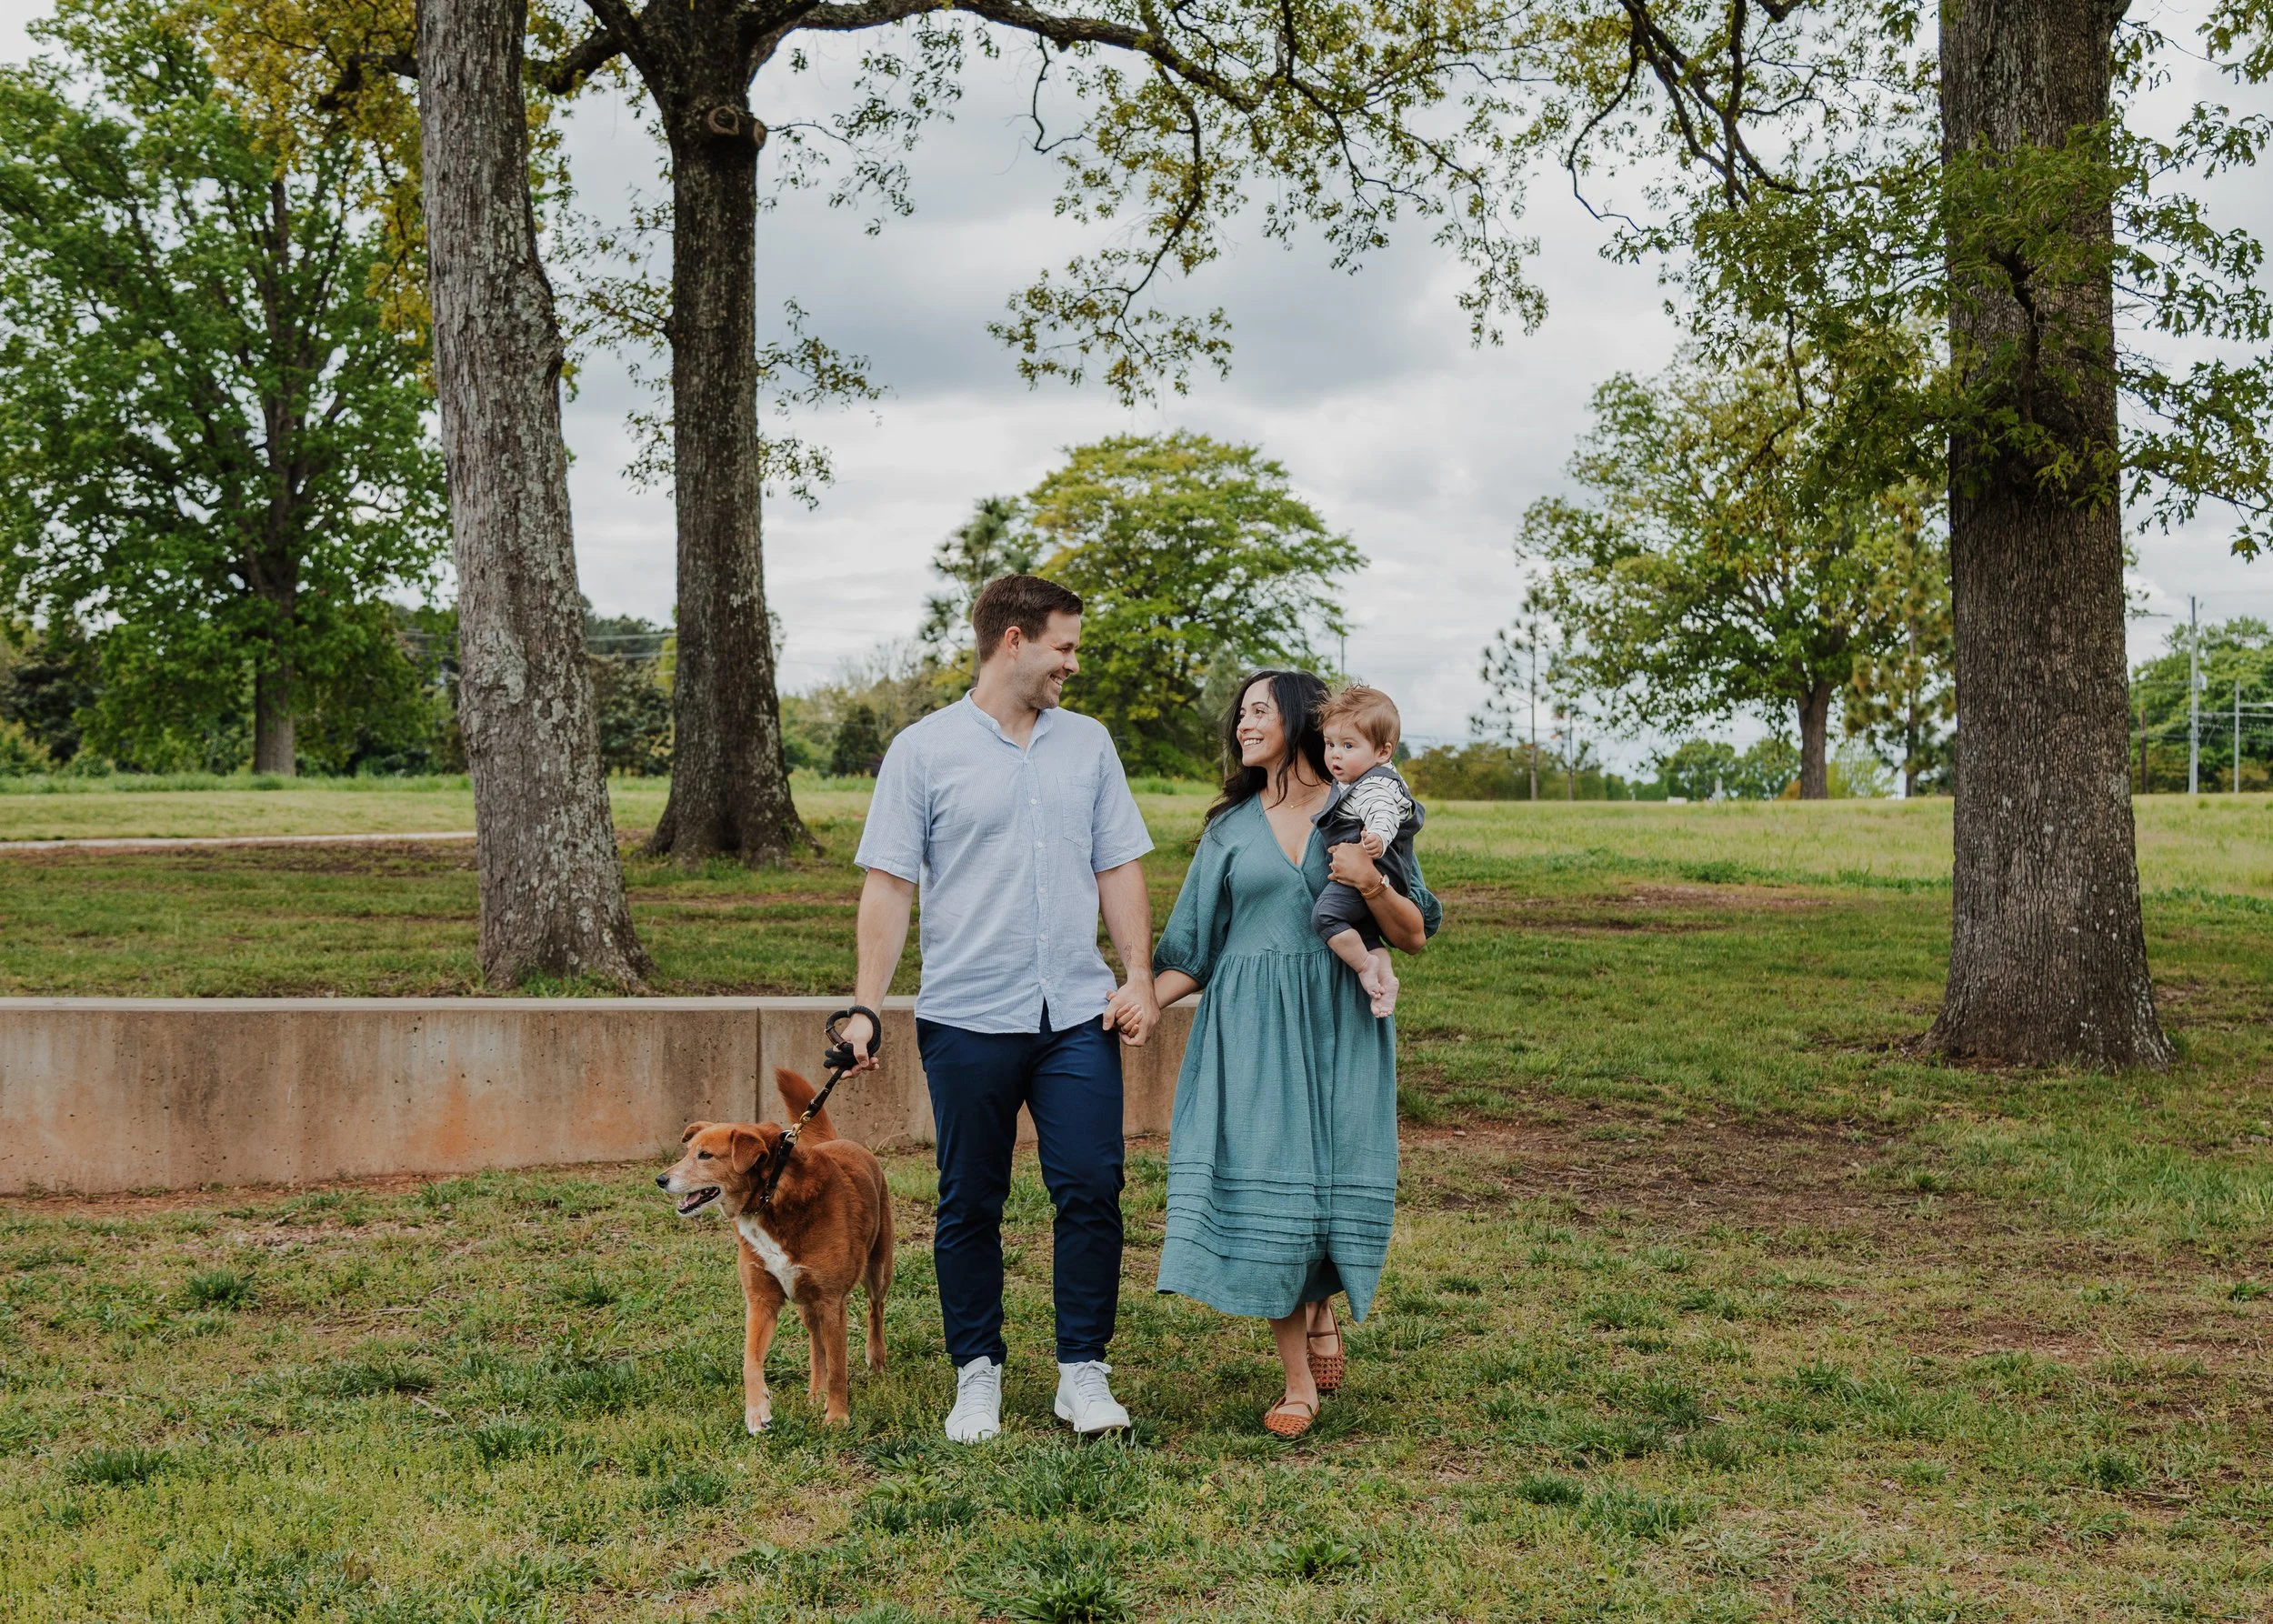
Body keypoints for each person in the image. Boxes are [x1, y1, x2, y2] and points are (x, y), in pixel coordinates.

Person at [841, 574, 1159, 1444]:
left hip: (1074, 1016)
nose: (1074, 663)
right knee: (970, 1200)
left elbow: (1119, 864)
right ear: (1012, 641)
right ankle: (975, 1374)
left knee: (1092, 1185)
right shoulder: (923, 750)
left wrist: (1135, 974)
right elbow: (889, 884)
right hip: (968, 1016)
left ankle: (1082, 1375)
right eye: (1065, 646)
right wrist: (866, 1008)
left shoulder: (1088, 745)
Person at [1123, 670, 1438, 1439]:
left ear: (1298, 717)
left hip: (1341, 1020)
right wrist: (1142, 1000)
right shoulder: (1229, 829)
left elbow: (1413, 930)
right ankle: (1298, 1381)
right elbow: (1192, 949)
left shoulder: (1362, 805)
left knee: (1325, 1183)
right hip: (1252, 1028)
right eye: (1240, 714)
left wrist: (1369, 881)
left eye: (1258, 710)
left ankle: (1321, 1304)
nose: (1242, 724)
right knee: (1272, 1187)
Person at [1309, 684, 1424, 1018]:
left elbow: (1383, 813)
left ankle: (1365, 966)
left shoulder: (1376, 784)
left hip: (1373, 865)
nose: (1335, 754)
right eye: (1330, 744)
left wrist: (1376, 837)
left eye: (1348, 745)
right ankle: (1386, 984)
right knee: (1365, 931)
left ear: (1383, 752)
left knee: (1326, 916)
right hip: (1381, 870)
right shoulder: (1361, 779)